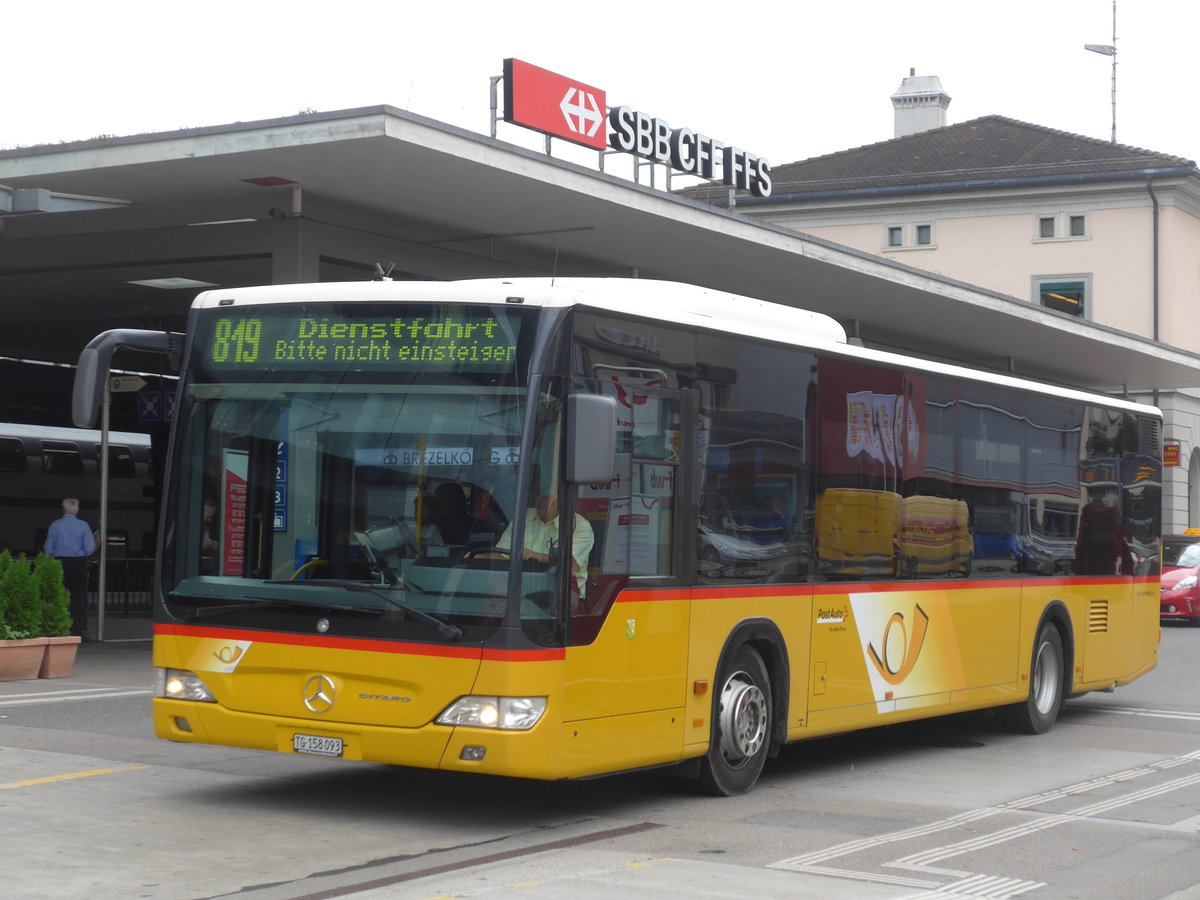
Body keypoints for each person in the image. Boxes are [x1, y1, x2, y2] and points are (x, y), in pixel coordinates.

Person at [496, 490, 594, 598]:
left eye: (546, 496)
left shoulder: (579, 525)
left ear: (560, 498)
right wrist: (480, 558)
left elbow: (569, 560)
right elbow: (502, 554)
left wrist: (532, 555)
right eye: (539, 495)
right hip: (521, 595)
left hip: (562, 600)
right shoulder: (524, 517)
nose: (541, 500)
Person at [44, 498, 97, 637]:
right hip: (78, 564)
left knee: (58, 597)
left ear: (63, 509)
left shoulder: (55, 525)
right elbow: (89, 549)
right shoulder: (83, 526)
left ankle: (58, 628)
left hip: (59, 563)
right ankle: (75, 630)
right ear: (77, 509)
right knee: (77, 599)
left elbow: (48, 549)